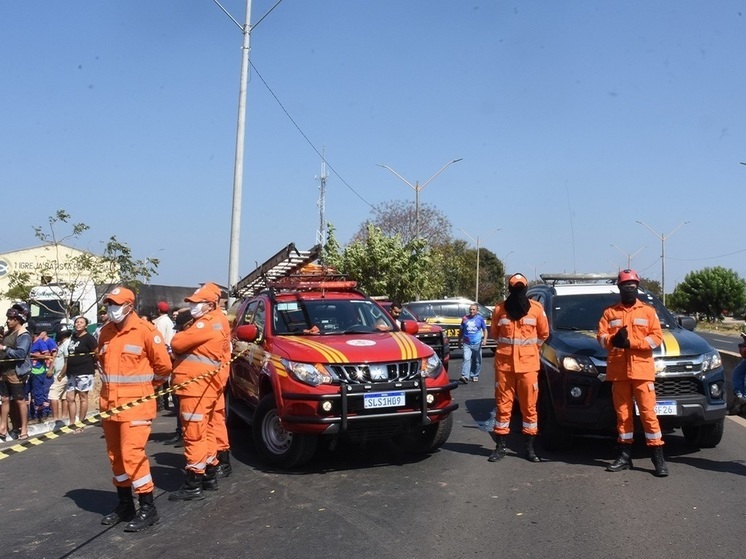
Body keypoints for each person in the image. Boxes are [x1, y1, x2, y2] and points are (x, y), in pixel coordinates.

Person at [98, 286, 171, 532]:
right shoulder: (105, 333)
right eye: (109, 304)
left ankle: (148, 507)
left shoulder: (146, 332)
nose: (112, 309)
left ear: (130, 306)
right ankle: (124, 504)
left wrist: (144, 389)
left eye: (116, 304)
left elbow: (163, 368)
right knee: (115, 457)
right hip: (109, 406)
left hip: (137, 406)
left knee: (132, 455)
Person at [597, 269, 669, 477]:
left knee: (648, 414)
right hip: (619, 372)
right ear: (619, 288)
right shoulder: (610, 313)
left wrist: (631, 343)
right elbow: (600, 337)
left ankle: (658, 458)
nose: (630, 289)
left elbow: (656, 338)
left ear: (637, 288)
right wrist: (613, 340)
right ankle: (624, 456)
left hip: (642, 371)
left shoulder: (647, 311)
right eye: (626, 286)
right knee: (623, 416)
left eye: (633, 286)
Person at [168, 283, 231, 501]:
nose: (192, 307)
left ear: (210, 304)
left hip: (195, 387)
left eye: (197, 303)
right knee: (207, 431)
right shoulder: (216, 321)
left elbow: (177, 342)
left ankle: (193, 482)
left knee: (194, 434)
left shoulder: (206, 324)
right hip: (205, 386)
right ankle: (209, 474)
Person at [489, 273, 549, 463]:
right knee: (503, 406)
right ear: (509, 288)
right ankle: (500, 447)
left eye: (520, 287)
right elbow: (495, 334)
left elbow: (543, 334)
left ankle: (529, 448)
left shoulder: (536, 309)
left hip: (528, 366)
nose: (518, 291)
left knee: (529, 407)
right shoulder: (500, 309)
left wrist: (530, 350)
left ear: (525, 288)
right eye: (515, 287)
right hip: (505, 366)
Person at [0, 304, 32, 441]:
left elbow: (21, 353)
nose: (8, 321)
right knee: (4, 399)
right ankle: (2, 428)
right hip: (4, 372)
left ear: (18, 320)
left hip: (16, 373)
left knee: (20, 400)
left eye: (11, 318)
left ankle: (24, 429)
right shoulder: (8, 333)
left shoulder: (23, 334)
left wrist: (4, 348)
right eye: (8, 318)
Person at [65, 316, 98, 432]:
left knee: (82, 397)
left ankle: (81, 422)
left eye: (81, 322)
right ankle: (72, 422)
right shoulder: (73, 337)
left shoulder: (89, 338)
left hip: (84, 371)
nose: (78, 324)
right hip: (71, 372)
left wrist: (94, 362)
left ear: (86, 325)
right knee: (69, 397)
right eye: (77, 322)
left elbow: (96, 351)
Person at [28, 326, 56, 422]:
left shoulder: (40, 343)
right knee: (29, 394)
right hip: (30, 371)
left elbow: (48, 355)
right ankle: (31, 415)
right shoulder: (30, 343)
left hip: (39, 371)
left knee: (38, 394)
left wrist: (33, 355)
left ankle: (41, 415)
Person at [152, 301, 175, 411]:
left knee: (160, 378)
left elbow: (158, 338)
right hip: (169, 351)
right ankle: (165, 402)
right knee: (166, 379)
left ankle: (160, 403)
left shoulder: (160, 322)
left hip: (162, 351)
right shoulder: (169, 321)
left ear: (158, 310)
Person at [49, 323, 73, 423]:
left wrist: (61, 374)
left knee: (53, 395)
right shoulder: (62, 344)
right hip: (60, 374)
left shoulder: (67, 343)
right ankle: (63, 416)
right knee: (63, 396)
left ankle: (56, 418)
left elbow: (67, 360)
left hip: (62, 375)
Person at [459, 303, 488, 383]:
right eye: (470, 309)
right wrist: (459, 341)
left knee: (477, 360)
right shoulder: (464, 318)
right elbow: (461, 330)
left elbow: (485, 330)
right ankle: (465, 376)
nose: (472, 311)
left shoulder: (480, 319)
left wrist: (484, 339)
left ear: (477, 311)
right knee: (466, 358)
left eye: (473, 309)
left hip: (477, 343)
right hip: (466, 343)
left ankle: (475, 375)